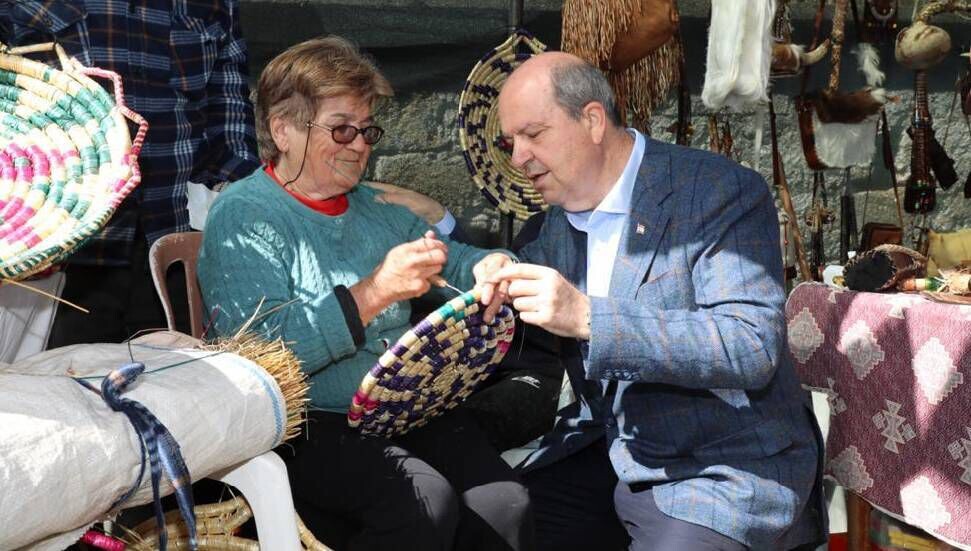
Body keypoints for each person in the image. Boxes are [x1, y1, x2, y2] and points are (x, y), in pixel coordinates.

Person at [197, 36, 532, 551]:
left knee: (504, 503)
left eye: (367, 129)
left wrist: (494, 267)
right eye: (341, 129)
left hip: (402, 408)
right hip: (305, 425)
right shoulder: (244, 216)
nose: (359, 145)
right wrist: (374, 292)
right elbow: (257, 358)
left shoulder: (376, 208)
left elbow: (457, 261)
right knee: (422, 506)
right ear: (283, 130)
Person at [485, 52, 827, 550]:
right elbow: (516, 270)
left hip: (718, 464)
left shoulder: (716, 192)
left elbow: (749, 345)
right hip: (607, 450)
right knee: (491, 522)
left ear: (592, 121)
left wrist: (587, 317)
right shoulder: (557, 220)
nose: (518, 158)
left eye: (533, 135)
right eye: (510, 142)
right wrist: (491, 263)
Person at [0, 0, 262, 345]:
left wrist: (242, 209)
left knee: (174, 372)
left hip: (170, 243)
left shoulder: (216, 5)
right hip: (57, 252)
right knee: (54, 374)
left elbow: (230, 113)